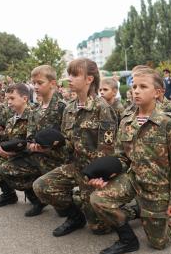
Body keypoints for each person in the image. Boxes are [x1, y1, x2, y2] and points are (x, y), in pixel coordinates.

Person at [89, 65, 171, 254]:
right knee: (99, 199)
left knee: (159, 242)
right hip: (133, 178)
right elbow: (121, 157)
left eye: (142, 87)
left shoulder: (167, 121)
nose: (136, 91)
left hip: (158, 186)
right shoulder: (126, 121)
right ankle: (127, 240)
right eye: (134, 86)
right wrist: (108, 176)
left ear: (158, 93)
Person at [33, 58, 118, 237]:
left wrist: (101, 178)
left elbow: (108, 151)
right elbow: (67, 145)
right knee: (41, 186)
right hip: (75, 166)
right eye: (69, 74)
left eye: (74, 75)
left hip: (94, 172)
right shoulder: (69, 109)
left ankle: (133, 209)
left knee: (99, 229)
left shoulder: (102, 108)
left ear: (89, 79)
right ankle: (75, 216)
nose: (69, 79)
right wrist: (51, 146)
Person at [0, 65, 67, 217]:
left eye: (40, 82)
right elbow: (30, 137)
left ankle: (65, 201)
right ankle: (38, 200)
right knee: (7, 168)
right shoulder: (35, 111)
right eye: (34, 83)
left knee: (63, 212)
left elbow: (68, 140)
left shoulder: (63, 108)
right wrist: (28, 146)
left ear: (53, 84)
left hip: (58, 158)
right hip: (38, 156)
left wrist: (50, 147)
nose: (35, 86)